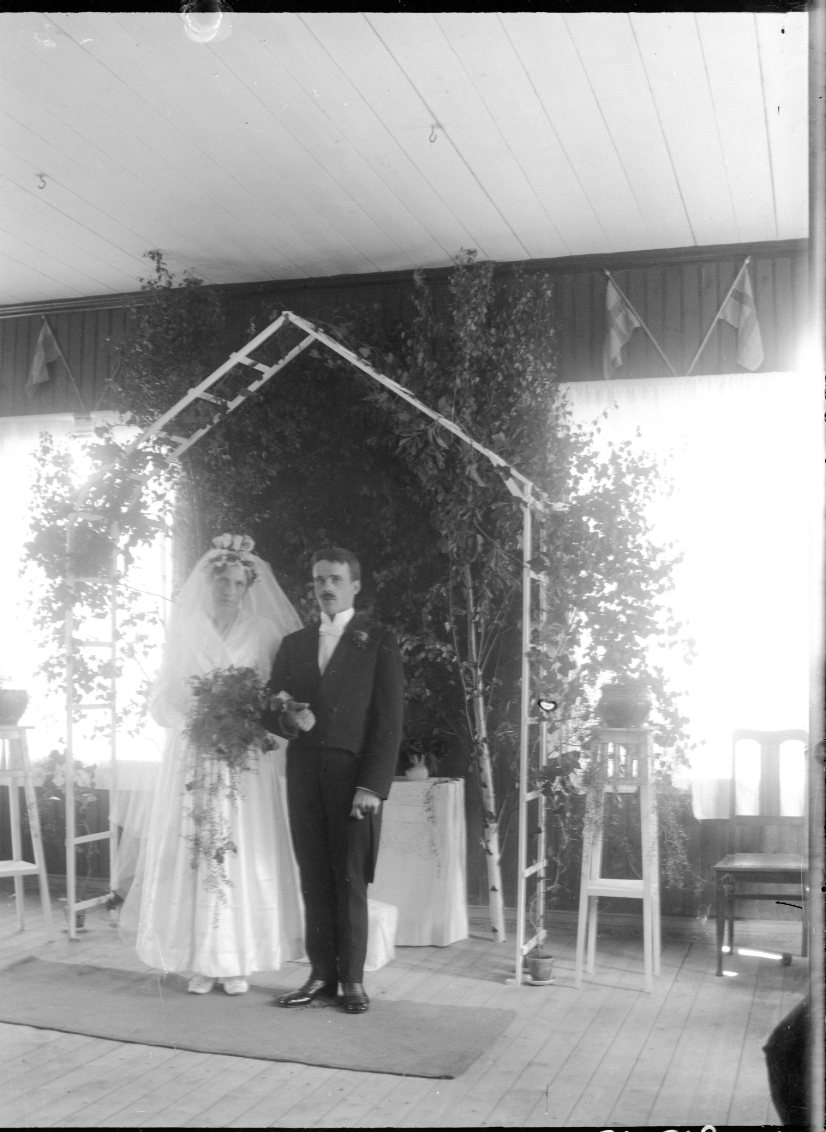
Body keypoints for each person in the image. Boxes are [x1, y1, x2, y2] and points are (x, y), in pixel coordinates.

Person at [119, 534, 305, 995]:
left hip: (242, 755)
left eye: (239, 583)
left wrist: (248, 719)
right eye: (223, 581)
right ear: (210, 581)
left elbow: (276, 692)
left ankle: (236, 960)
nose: (230, 590)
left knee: (238, 849)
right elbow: (163, 694)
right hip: (195, 752)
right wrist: (193, 721)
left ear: (249, 586)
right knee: (197, 851)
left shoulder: (263, 630)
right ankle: (200, 960)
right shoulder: (186, 627)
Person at [263, 546, 404, 1014]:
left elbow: (389, 722)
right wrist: (287, 717)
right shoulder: (294, 644)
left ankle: (352, 981)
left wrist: (372, 786)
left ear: (355, 586)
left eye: (336, 579)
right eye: (320, 579)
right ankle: (320, 976)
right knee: (314, 876)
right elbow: (271, 706)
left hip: (351, 779)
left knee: (349, 880)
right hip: (304, 774)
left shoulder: (379, 641)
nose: (326, 587)